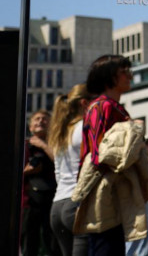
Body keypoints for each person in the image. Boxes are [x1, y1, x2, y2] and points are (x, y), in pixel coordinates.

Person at [80, 54, 134, 254]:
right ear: (108, 76)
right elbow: (99, 155)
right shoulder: (103, 107)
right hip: (104, 193)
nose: (130, 76)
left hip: (112, 192)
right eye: (124, 72)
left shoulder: (112, 107)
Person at [48, 84, 92, 256]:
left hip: (57, 205)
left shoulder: (60, 132)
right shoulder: (84, 127)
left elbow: (58, 172)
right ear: (84, 103)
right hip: (76, 203)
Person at [23, 108, 57, 256]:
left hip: (52, 200)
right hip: (28, 201)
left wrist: (43, 145)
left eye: (44, 119)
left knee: (52, 243)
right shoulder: (23, 146)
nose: (40, 121)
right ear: (30, 126)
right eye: (37, 119)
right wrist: (28, 171)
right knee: (29, 242)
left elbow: (61, 163)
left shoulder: (55, 146)